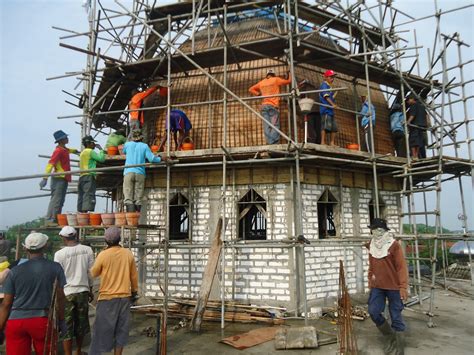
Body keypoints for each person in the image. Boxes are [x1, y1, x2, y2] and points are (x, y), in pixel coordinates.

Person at [0, 233, 67, 355]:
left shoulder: (14, 271)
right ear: (45, 246)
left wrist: (0, 327)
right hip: (42, 321)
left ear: (25, 248)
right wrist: (62, 321)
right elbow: (61, 298)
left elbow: (6, 303)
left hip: (16, 322)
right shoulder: (55, 268)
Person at [89, 227, 138, 355]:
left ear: (106, 240)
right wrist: (134, 292)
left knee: (101, 331)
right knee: (121, 331)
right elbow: (133, 276)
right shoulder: (127, 253)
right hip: (124, 298)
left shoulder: (103, 255)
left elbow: (94, 273)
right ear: (119, 239)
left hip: (107, 299)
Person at [367, 218, 408, 355]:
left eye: (378, 229)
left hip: (394, 286)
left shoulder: (393, 245)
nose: (375, 232)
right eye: (373, 230)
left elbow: (401, 267)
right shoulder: (372, 245)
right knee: (373, 311)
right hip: (377, 286)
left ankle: (399, 347)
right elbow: (372, 266)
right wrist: (370, 280)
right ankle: (390, 337)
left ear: (384, 231)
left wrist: (403, 287)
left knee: (395, 315)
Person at [54, 226, 94, 355]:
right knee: (81, 324)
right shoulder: (87, 250)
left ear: (64, 238)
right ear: (75, 235)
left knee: (67, 325)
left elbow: (58, 277)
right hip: (82, 291)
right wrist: (90, 289)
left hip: (67, 293)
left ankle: (68, 353)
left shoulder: (59, 254)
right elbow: (90, 273)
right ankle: (78, 351)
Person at [40, 130, 79, 225]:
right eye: (66, 137)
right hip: (58, 178)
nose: (67, 138)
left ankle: (55, 219)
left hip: (64, 178)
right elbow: (50, 164)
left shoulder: (64, 149)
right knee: (56, 199)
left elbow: (70, 150)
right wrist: (45, 178)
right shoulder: (58, 151)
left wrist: (77, 152)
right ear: (61, 140)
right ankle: (49, 220)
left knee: (61, 200)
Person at [249, 69, 292, 144]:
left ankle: (269, 143)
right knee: (275, 126)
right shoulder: (276, 79)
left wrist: (258, 94)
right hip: (273, 107)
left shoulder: (262, 82)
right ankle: (273, 143)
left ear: (267, 75)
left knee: (267, 126)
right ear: (273, 74)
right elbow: (289, 81)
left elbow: (251, 89)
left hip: (264, 107)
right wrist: (290, 74)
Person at [123, 129, 162, 212]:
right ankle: (136, 217)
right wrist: (160, 158)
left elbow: (124, 151)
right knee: (138, 197)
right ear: (141, 138)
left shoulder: (127, 144)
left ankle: (130, 217)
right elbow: (152, 159)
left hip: (128, 172)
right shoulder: (144, 146)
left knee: (128, 195)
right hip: (140, 173)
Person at [78, 135, 106, 212]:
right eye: (93, 143)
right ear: (89, 144)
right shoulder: (90, 151)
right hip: (89, 175)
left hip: (82, 176)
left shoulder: (82, 153)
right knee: (89, 194)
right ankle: (86, 213)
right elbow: (101, 159)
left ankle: (81, 212)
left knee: (82, 195)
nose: (94, 144)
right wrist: (101, 150)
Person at [298, 80, 321, 144]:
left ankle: (312, 141)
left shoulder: (304, 88)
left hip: (309, 110)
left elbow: (300, 96)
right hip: (318, 110)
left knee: (310, 128)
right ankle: (318, 141)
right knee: (317, 127)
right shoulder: (314, 88)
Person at [319, 70, 338, 146]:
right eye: (331, 77)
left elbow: (331, 97)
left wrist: (336, 92)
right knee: (325, 126)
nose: (332, 79)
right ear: (326, 77)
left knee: (334, 127)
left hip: (331, 110)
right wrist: (333, 104)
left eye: (333, 77)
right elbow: (326, 97)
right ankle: (323, 142)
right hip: (325, 109)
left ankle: (332, 143)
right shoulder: (324, 85)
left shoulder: (329, 87)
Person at [406, 94, 427, 160]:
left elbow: (412, 115)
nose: (407, 102)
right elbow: (427, 116)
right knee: (419, 141)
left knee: (413, 141)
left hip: (415, 125)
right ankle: (416, 156)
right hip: (421, 126)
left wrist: (408, 122)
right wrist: (428, 124)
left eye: (408, 100)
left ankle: (414, 156)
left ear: (412, 99)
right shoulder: (422, 107)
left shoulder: (413, 106)